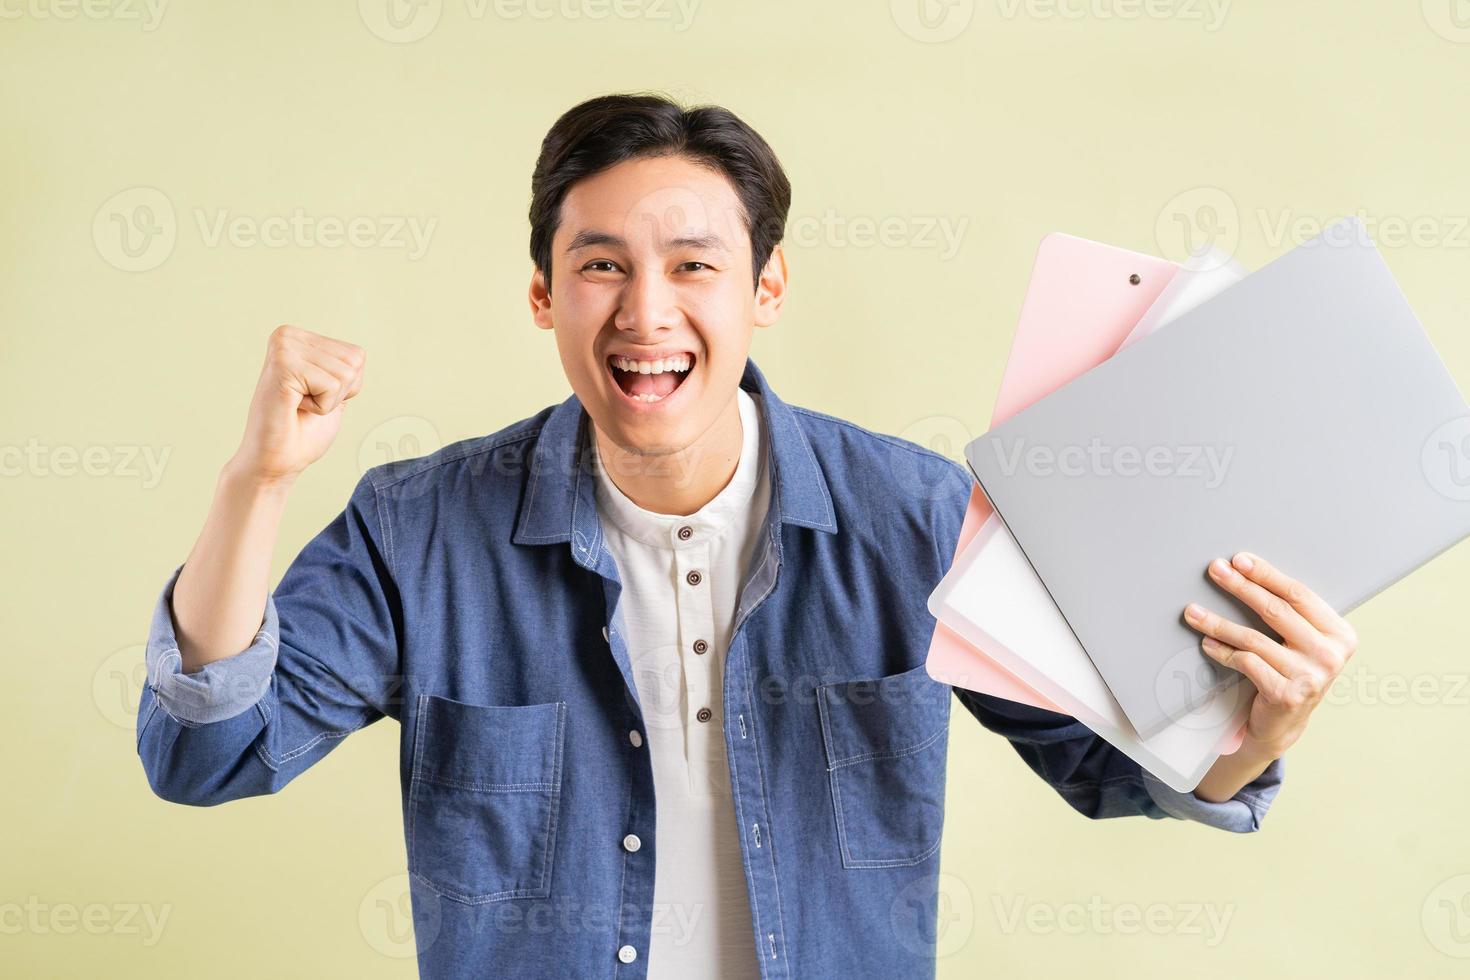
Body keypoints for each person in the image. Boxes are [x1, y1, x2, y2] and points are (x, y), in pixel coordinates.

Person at [135, 92, 1356, 979]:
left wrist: (1250, 729)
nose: (645, 311)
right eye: (600, 265)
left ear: (766, 289)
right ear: (544, 296)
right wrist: (256, 478)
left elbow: (1117, 765)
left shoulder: (916, 515)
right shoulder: (418, 528)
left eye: (694, 265)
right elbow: (207, 753)